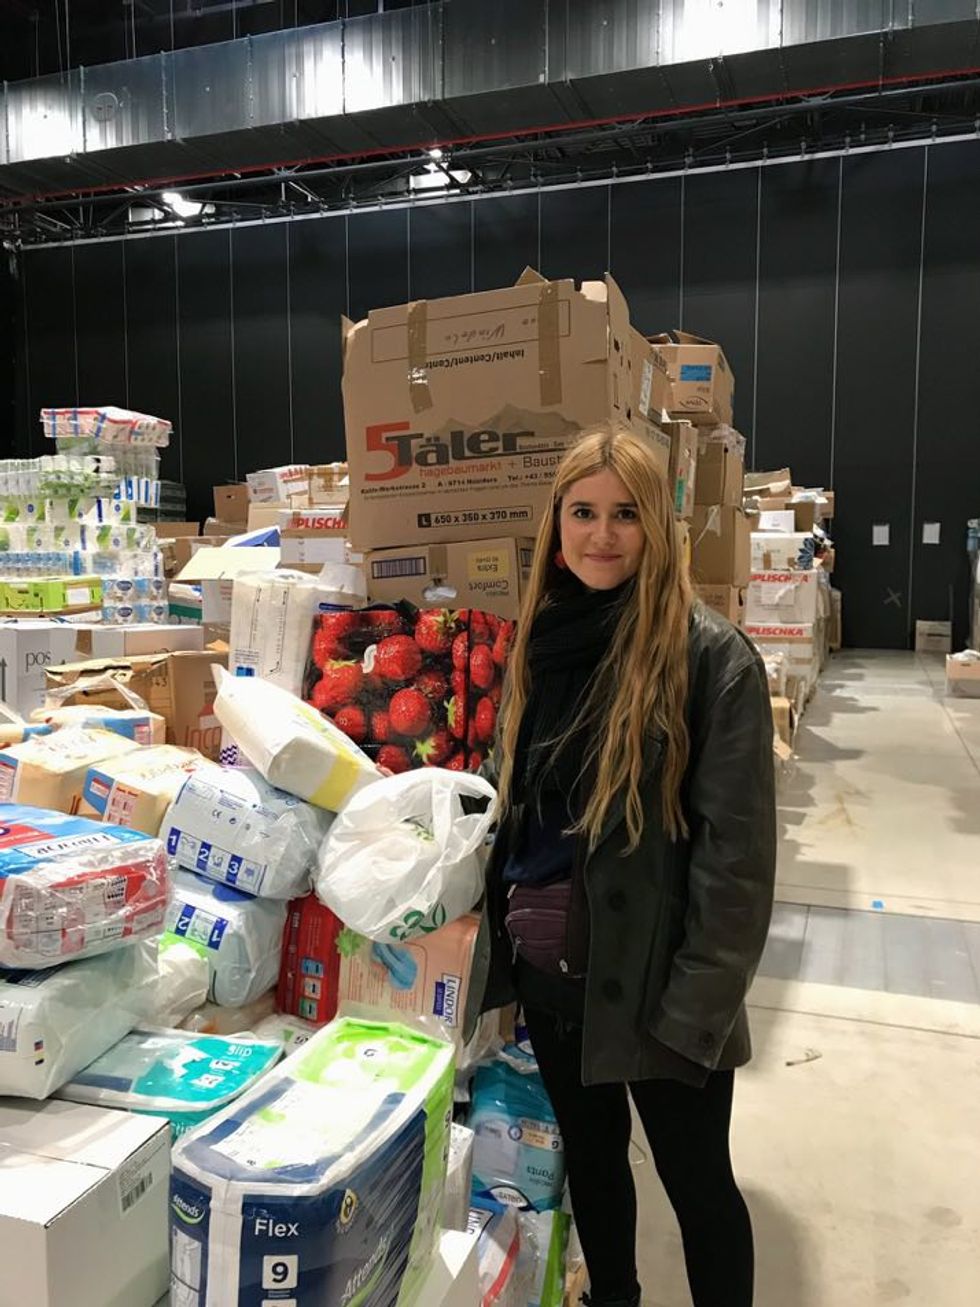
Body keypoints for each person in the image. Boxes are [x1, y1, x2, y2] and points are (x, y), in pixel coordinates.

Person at [466, 423, 777, 1307]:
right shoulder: (541, 643)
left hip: (659, 992)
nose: (602, 535)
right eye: (583, 512)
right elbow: (520, 794)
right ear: (555, 525)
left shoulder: (711, 661)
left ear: (660, 528)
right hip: (557, 977)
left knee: (700, 1189)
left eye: (625, 514)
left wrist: (694, 1014)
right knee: (594, 1167)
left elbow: (738, 866)